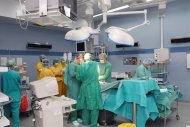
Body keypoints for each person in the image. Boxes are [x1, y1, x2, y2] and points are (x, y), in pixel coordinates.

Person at [76, 53, 102, 127]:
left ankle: (85, 122)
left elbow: (78, 78)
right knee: (94, 106)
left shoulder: (81, 66)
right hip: (94, 87)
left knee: (85, 105)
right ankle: (93, 124)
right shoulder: (96, 64)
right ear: (91, 57)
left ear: (84, 58)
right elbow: (98, 74)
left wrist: (86, 80)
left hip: (85, 87)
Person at [1, 60, 22, 127]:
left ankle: (5, 125)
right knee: (15, 112)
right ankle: (15, 125)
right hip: (15, 97)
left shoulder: (2, 74)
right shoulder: (16, 74)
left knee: (6, 113)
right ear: (13, 66)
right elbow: (20, 84)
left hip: (5, 97)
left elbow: (1, 85)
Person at [64, 55, 83, 126]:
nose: (80, 60)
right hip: (73, 86)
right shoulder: (72, 65)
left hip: (77, 85)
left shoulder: (77, 65)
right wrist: (80, 73)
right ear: (76, 58)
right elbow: (72, 74)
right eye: (79, 59)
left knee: (77, 101)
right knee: (73, 102)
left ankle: (77, 116)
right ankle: (73, 119)